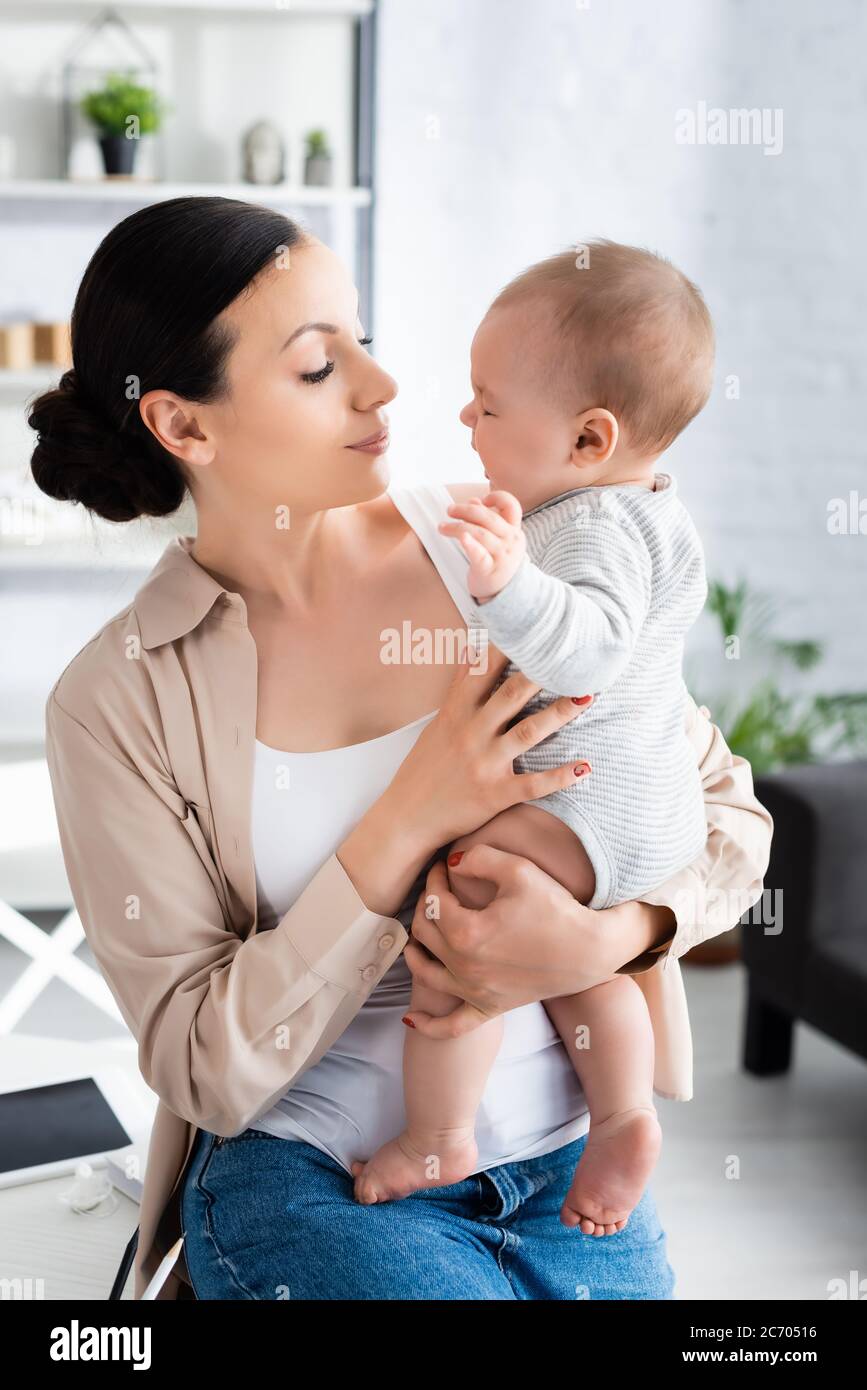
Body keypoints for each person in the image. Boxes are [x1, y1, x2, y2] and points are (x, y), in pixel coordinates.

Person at [31, 197, 773, 1299]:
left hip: (570, 1170)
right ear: (185, 427)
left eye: (363, 341)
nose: (384, 389)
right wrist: (406, 820)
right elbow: (200, 1061)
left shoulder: (506, 550)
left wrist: (609, 935)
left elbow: (727, 816)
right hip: (318, 1177)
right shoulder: (120, 698)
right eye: (319, 367)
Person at [353, 240, 715, 1239]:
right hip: (648, 817)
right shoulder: (652, 513)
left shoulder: (585, 527)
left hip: (583, 799)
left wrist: (509, 581)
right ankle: (624, 1112)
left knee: (463, 922)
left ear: (590, 440)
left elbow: (590, 648)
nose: (466, 418)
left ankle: (439, 1133)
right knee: (581, 966)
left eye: (490, 404)